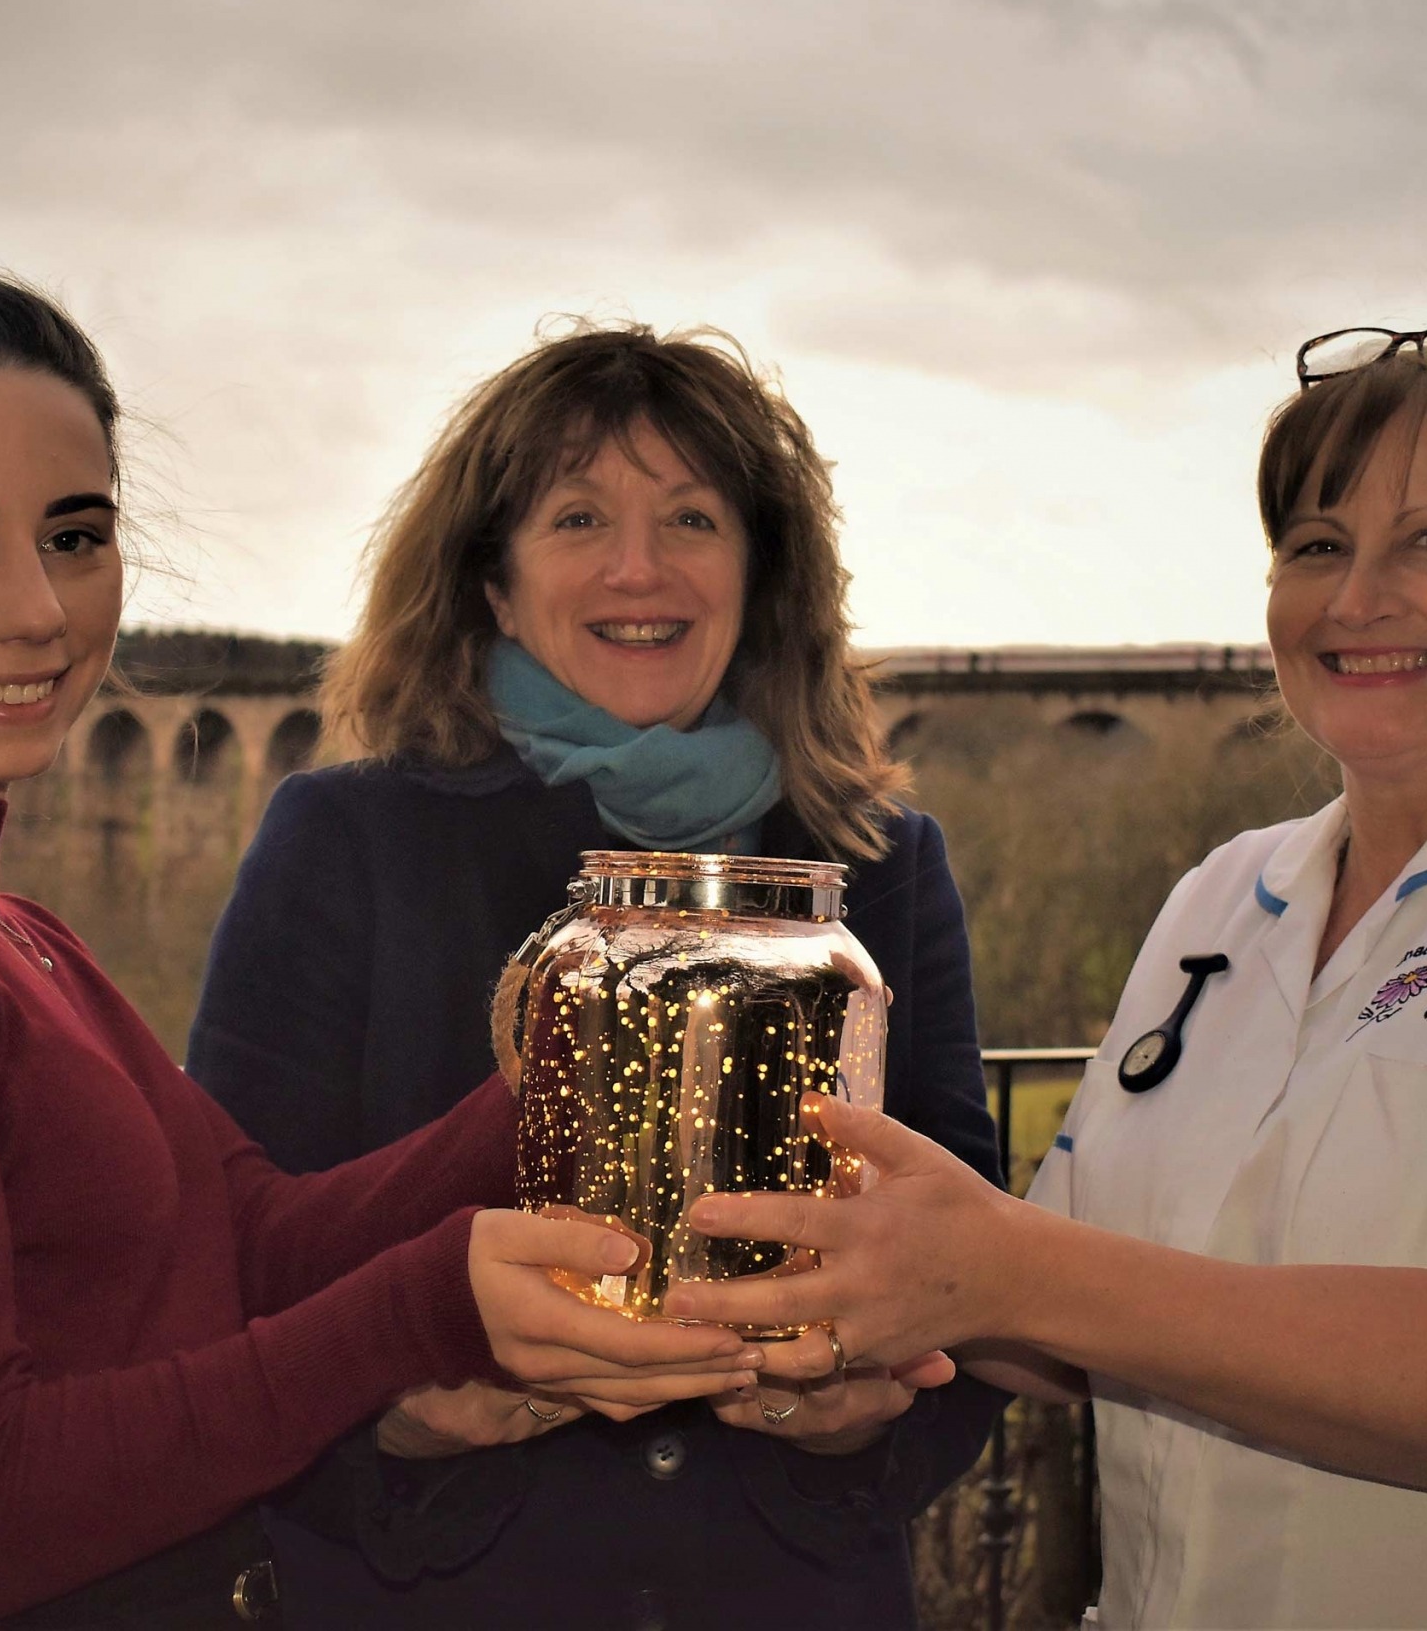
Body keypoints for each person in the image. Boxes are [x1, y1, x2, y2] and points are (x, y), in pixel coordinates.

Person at [0, 272, 763, 1631]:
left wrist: (577, 1081)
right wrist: (430, 1305)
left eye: (75, 536)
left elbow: (246, 1243)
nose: (37, 608)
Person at [672, 321, 1427, 1627]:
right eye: (1316, 547)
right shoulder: (1225, 899)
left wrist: (1005, 1272)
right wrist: (862, 1327)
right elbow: (1058, 1313)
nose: (1358, 597)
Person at [184, 322, 1008, 1628]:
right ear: (496, 584)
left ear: (761, 572)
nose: (640, 567)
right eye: (577, 518)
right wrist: (405, 1429)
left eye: (692, 517)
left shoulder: (876, 861)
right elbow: (223, 1274)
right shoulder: (348, 840)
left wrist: (855, 1426)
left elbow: (980, 1277)